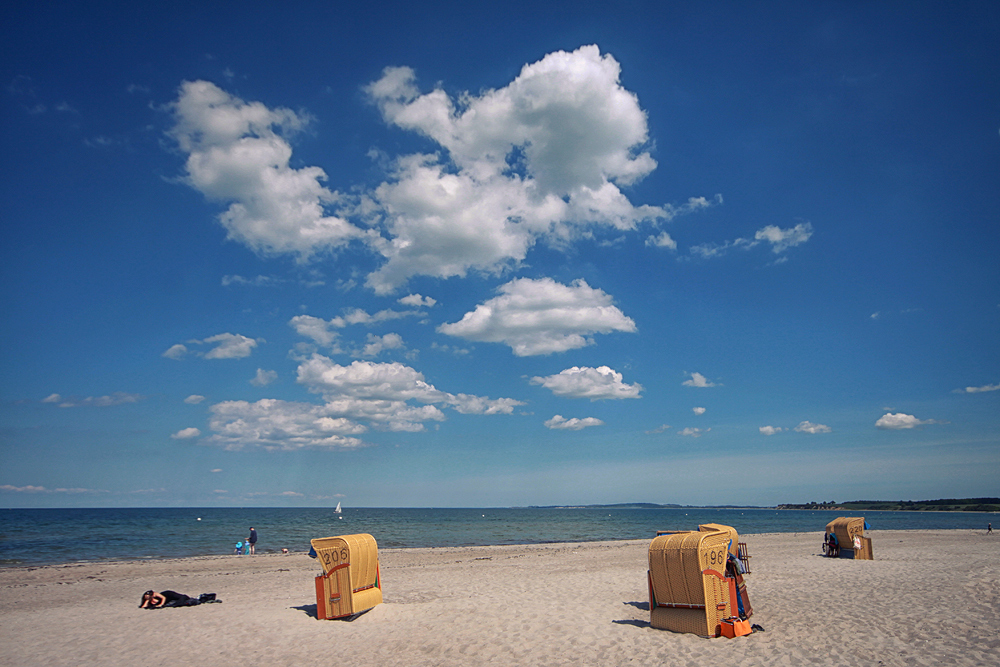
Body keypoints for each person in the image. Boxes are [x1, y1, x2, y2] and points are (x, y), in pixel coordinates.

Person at [139, 590, 219, 608]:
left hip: (176, 596)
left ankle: (203, 598)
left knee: (182, 602)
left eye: (150, 596)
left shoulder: (159, 596)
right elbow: (143, 606)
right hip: (173, 600)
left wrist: (160, 604)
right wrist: (146, 600)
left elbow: (163, 598)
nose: (150, 598)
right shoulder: (149, 601)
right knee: (177, 604)